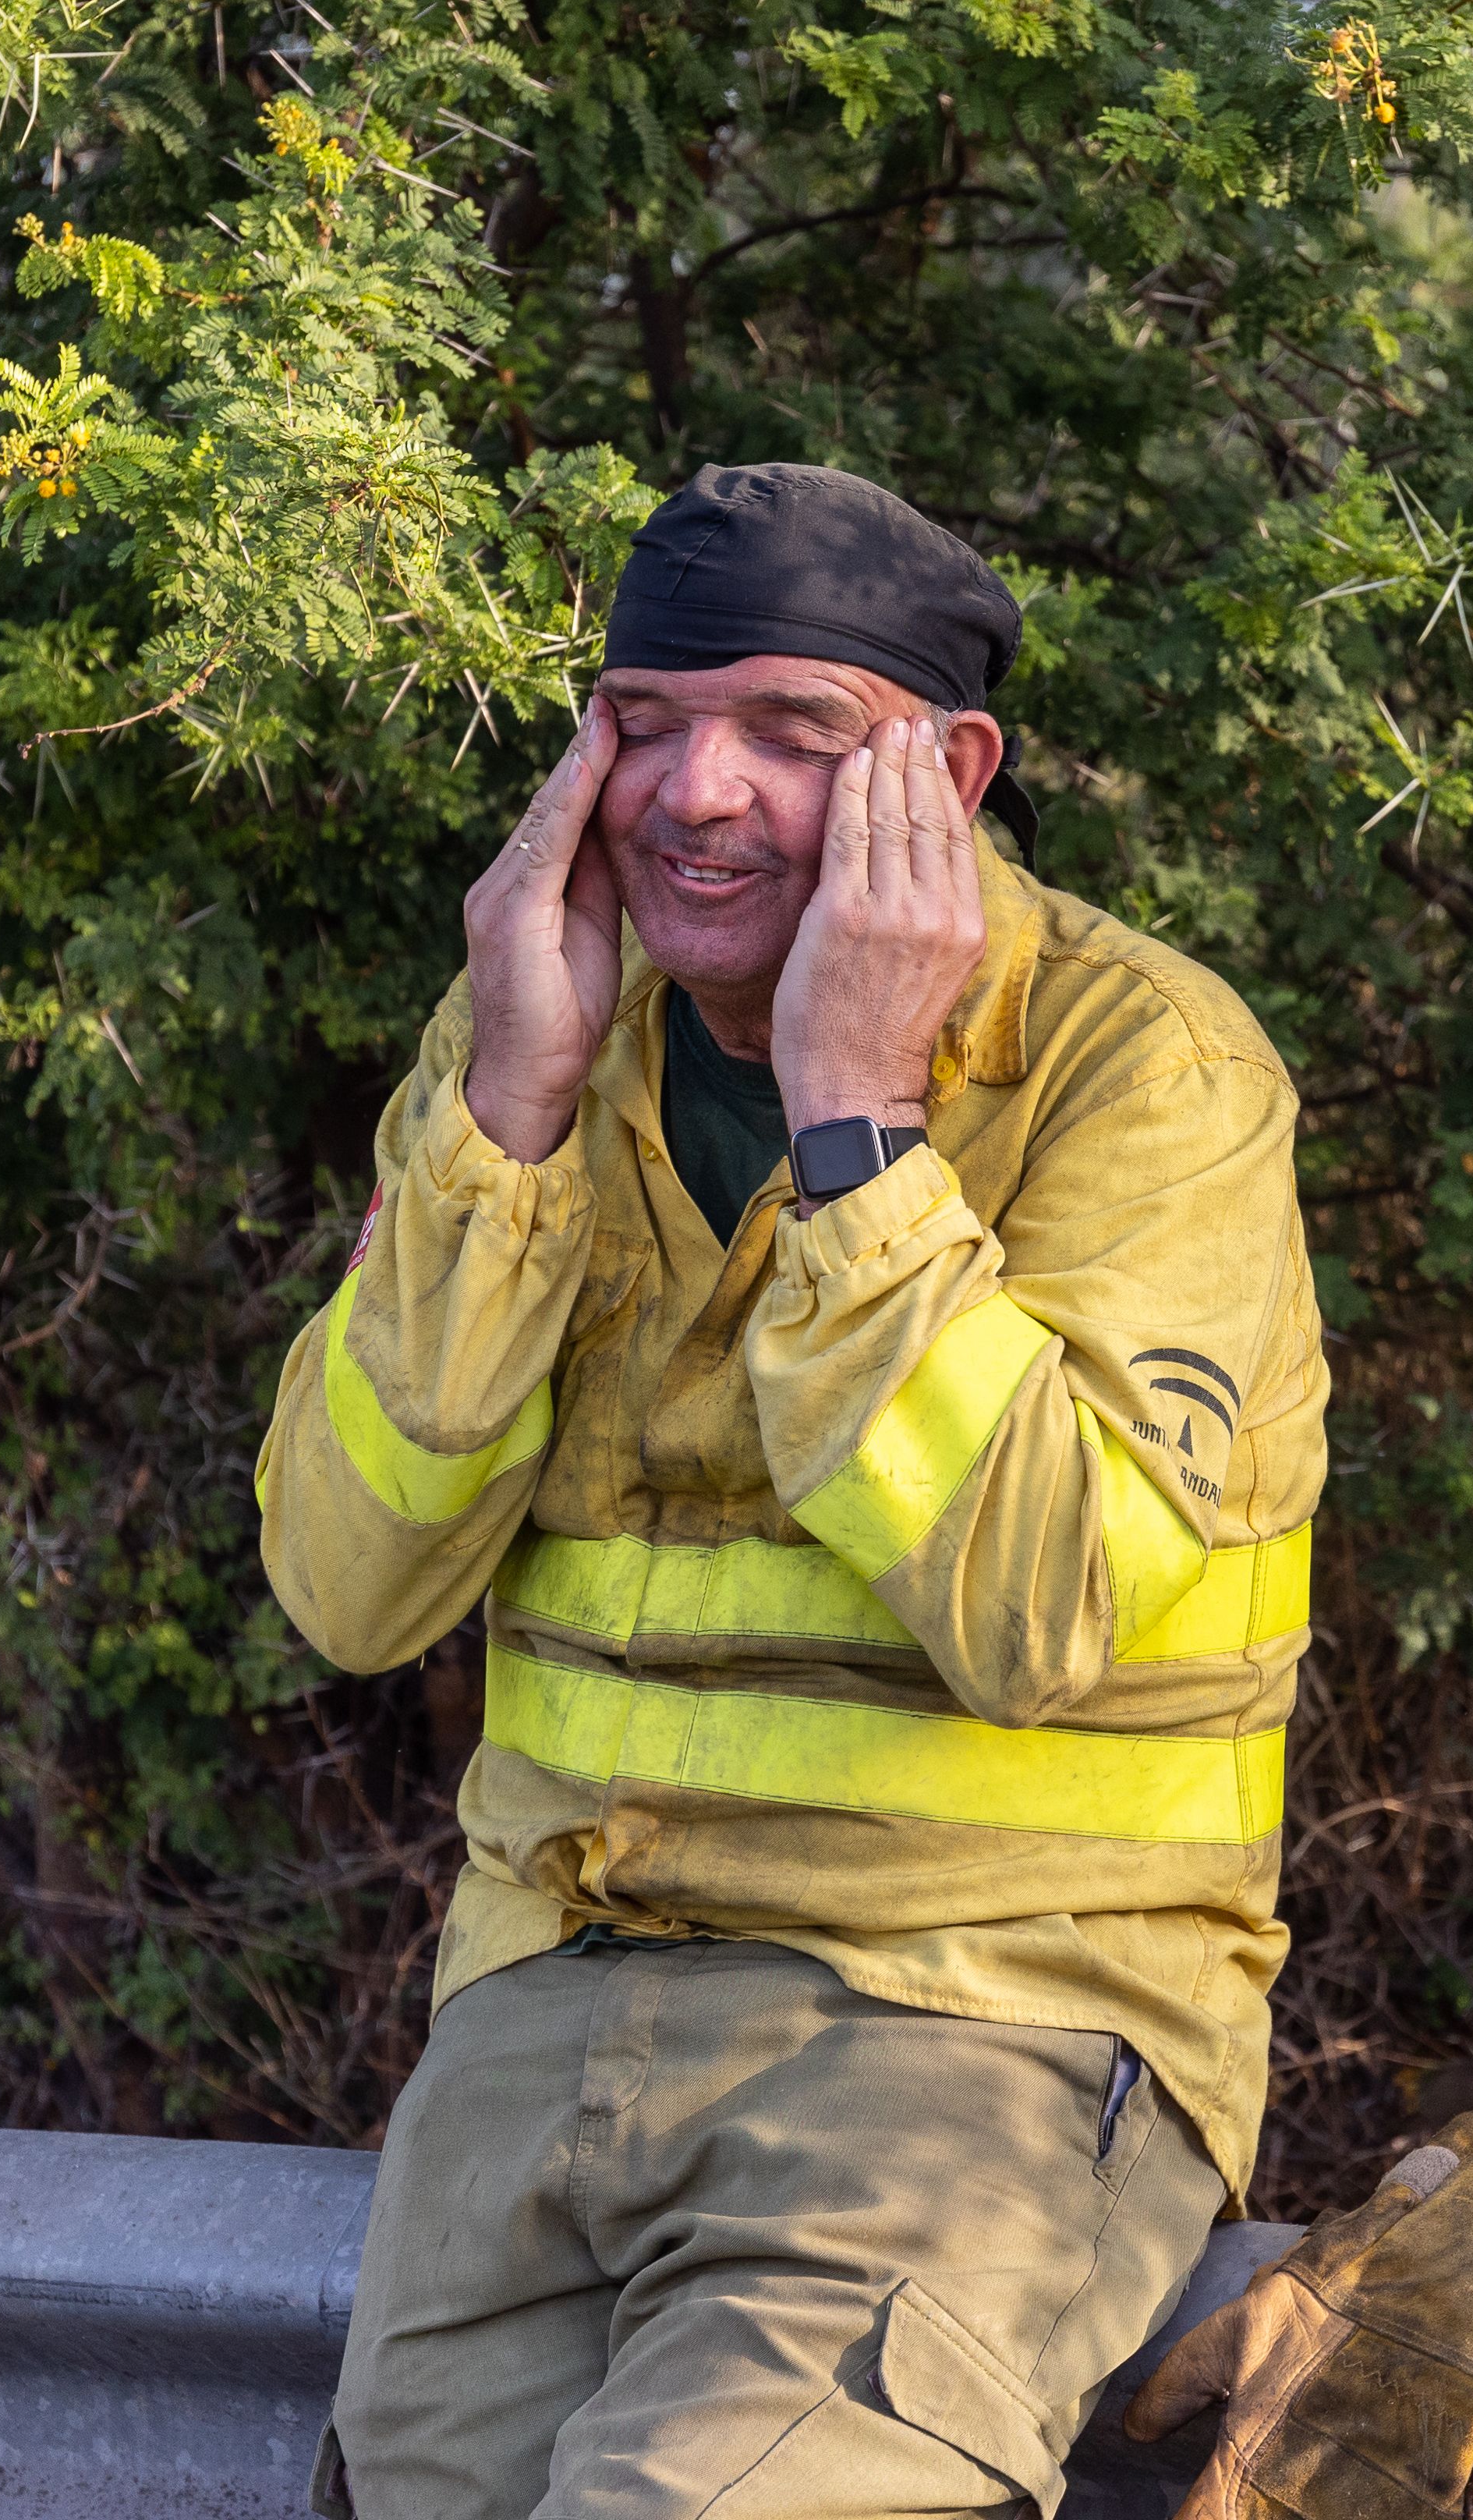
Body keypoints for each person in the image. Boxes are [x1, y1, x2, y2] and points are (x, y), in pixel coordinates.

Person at [251, 462, 1329, 2520]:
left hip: (990, 2021)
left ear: (957, 766)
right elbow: (348, 1589)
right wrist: (508, 1117)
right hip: (547, 2016)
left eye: (793, 731)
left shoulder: (1149, 1071)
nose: (694, 793)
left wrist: (857, 1132)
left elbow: (1035, 1609)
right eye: (642, 723)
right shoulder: (538, 1041)